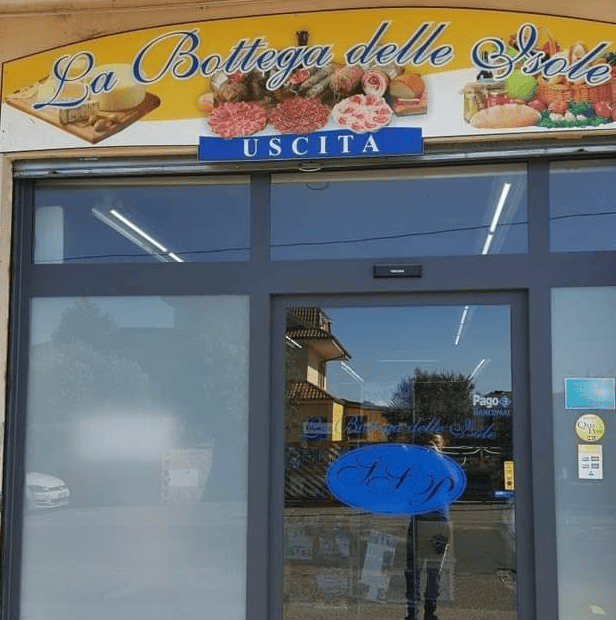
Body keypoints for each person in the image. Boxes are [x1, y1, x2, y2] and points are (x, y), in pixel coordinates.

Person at [404, 433, 452, 620]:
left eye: (436, 443)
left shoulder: (423, 465)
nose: (433, 447)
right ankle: (423, 613)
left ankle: (419, 612)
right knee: (426, 570)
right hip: (432, 521)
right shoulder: (444, 465)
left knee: (422, 570)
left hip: (427, 521)